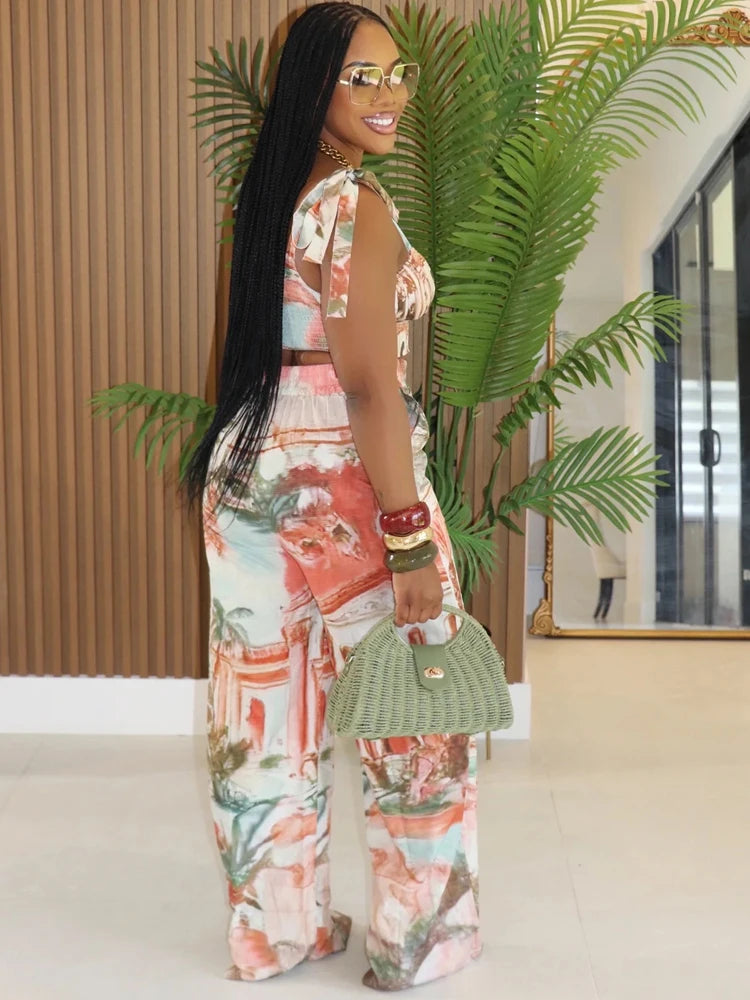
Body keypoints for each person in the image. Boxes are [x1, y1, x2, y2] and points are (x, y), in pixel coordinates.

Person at [184, 2, 480, 990]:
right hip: (347, 488)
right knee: (416, 723)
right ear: (313, 88)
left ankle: (280, 933)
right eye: (364, 78)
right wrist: (405, 541)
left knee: (265, 717)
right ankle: (416, 940)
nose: (391, 94)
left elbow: (254, 358)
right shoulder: (356, 207)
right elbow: (366, 389)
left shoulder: (263, 198)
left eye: (399, 74)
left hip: (246, 470)